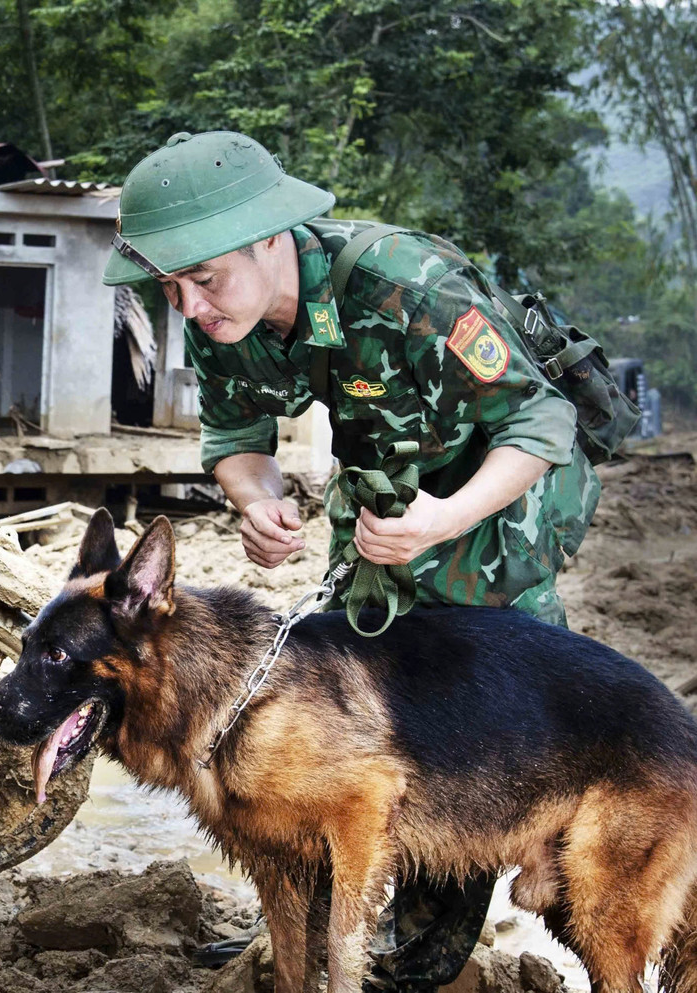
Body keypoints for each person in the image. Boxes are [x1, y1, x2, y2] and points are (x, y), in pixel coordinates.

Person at [102, 130, 601, 992]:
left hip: (500, 500)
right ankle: (324, 914)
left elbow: (541, 421)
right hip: (389, 494)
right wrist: (256, 499)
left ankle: (426, 945)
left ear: (270, 237)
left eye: (203, 279)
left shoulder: (407, 286)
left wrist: (444, 520)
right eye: (168, 287)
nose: (188, 306)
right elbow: (235, 436)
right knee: (349, 678)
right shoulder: (221, 313)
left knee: (467, 693)